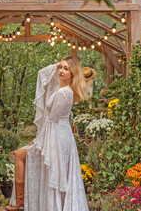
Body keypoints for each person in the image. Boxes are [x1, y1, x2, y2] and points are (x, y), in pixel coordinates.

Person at [5, 56, 90, 211]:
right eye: (61, 67)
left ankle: (20, 202)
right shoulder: (62, 88)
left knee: (20, 155)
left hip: (56, 137)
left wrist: (38, 140)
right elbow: (42, 73)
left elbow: (52, 120)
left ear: (73, 74)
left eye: (66, 69)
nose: (61, 71)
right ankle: (21, 201)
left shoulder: (63, 93)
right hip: (59, 134)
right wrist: (57, 64)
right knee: (40, 164)